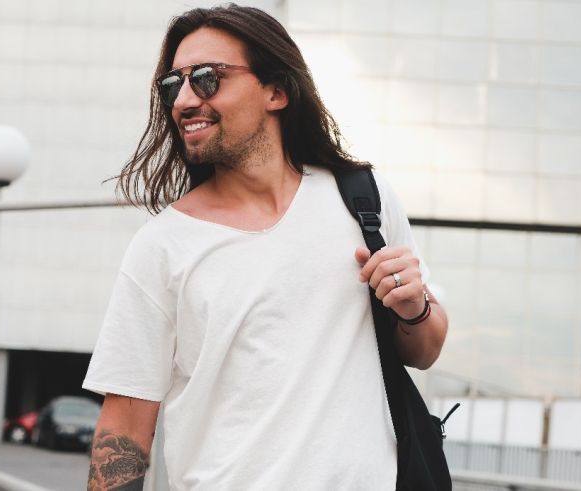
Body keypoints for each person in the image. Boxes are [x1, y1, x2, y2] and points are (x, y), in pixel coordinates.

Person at [83, 5, 448, 490]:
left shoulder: (364, 203)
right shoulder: (162, 247)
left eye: (207, 78)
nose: (184, 100)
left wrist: (412, 308)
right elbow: (124, 427)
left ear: (276, 91)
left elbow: (425, 351)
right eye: (174, 85)